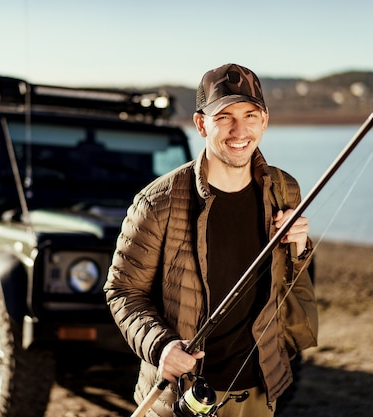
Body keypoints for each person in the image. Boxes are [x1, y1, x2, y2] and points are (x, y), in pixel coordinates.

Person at [104, 63, 318, 417]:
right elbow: (122, 291)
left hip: (258, 390)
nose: (240, 130)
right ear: (201, 123)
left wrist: (299, 247)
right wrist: (161, 346)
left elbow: (285, 283)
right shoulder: (157, 202)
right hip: (180, 396)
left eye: (250, 115)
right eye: (225, 116)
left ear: (264, 121)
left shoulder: (284, 189)